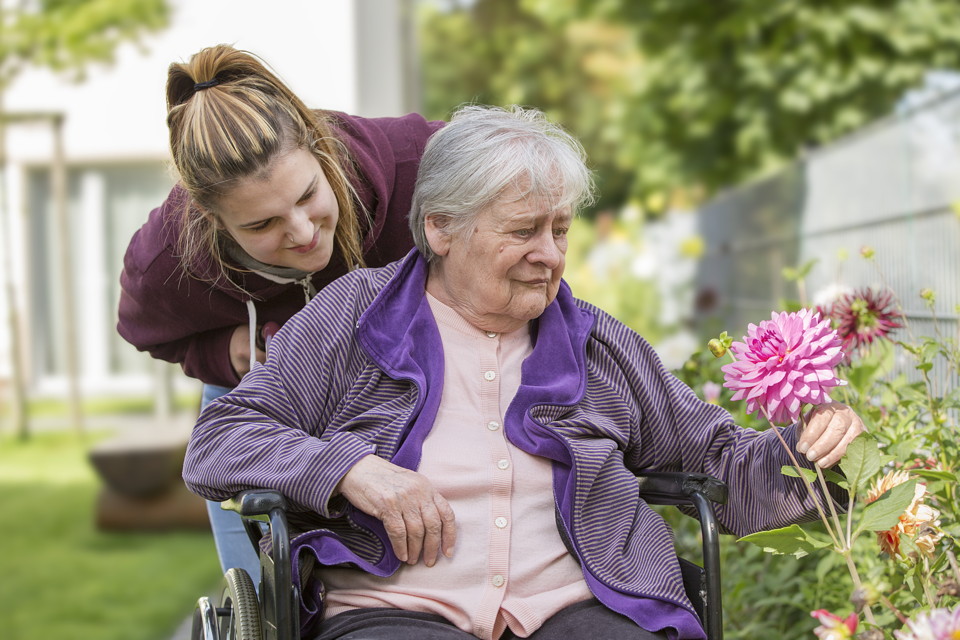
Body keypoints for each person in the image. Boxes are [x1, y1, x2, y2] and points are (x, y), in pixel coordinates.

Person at [182, 105, 864, 640]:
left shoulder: (597, 343)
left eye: (560, 231)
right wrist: (350, 469)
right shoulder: (355, 316)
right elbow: (221, 439)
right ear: (442, 228)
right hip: (395, 609)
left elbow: (720, 461)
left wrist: (814, 449)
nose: (549, 255)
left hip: (577, 606)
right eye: (523, 231)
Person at [116, 44, 443, 584]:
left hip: (409, 370)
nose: (302, 232)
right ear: (212, 218)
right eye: (261, 225)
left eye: (308, 195)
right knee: (274, 590)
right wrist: (222, 352)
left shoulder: (418, 163)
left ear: (320, 149)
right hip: (271, 388)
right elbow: (144, 330)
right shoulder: (165, 261)